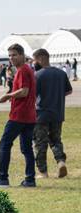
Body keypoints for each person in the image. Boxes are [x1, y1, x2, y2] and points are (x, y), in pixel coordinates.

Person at [0, 44, 37, 188]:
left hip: (19, 115)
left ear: (22, 55)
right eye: (9, 55)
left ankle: (2, 178)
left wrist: (8, 96)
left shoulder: (23, 70)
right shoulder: (27, 69)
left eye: (14, 55)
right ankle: (30, 180)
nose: (11, 58)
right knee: (27, 148)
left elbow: (24, 91)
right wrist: (12, 95)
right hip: (29, 115)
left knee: (5, 143)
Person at [32, 48, 73, 179]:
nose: (33, 63)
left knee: (40, 143)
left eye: (34, 60)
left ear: (40, 58)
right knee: (56, 140)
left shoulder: (37, 75)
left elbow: (32, 95)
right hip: (58, 113)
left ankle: (43, 172)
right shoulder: (61, 73)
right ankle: (61, 162)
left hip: (41, 114)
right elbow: (69, 91)